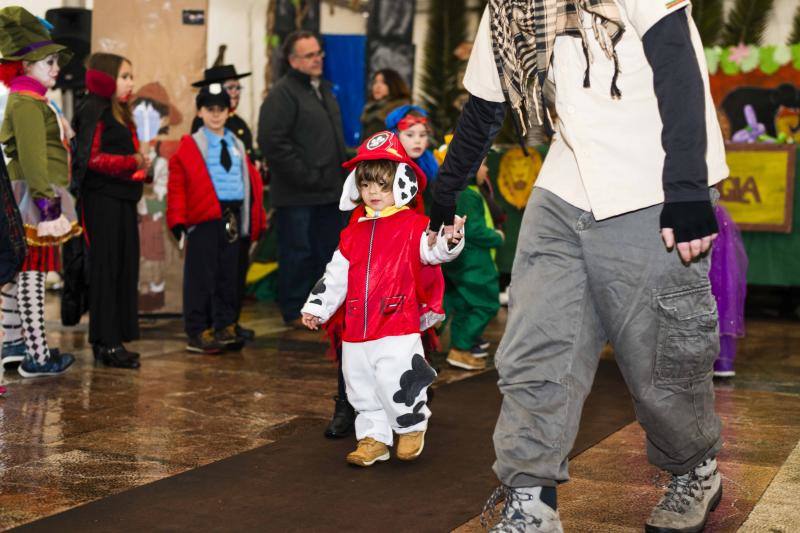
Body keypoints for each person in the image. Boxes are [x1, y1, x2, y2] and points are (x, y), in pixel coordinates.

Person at [430, 2, 728, 532]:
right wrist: (446, 190)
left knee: (660, 355)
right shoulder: (510, 7)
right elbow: (484, 103)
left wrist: (686, 187)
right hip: (565, 185)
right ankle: (532, 500)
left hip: (653, 185)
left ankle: (694, 468)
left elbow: (678, 63)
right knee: (535, 347)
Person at [301, 131, 465, 466]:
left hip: (396, 323)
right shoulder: (352, 233)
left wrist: (449, 240)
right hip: (357, 327)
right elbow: (336, 274)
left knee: (398, 377)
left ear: (402, 183)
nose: (373, 192)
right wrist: (318, 307)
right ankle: (373, 438)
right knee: (360, 384)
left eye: (382, 184)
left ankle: (411, 426)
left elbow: (433, 252)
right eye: (366, 184)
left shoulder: (415, 226)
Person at [258, 30, 350, 438]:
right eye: (309, 54)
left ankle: (319, 307)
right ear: (292, 60)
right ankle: (294, 308)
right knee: (296, 250)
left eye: (319, 53)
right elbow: (273, 143)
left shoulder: (323, 89)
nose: (318, 58)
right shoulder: (282, 95)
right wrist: (308, 175)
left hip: (328, 191)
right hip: (298, 192)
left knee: (326, 253)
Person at [0, 7, 82, 377]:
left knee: (20, 272)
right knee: (34, 270)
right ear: (26, 66)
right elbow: (33, 158)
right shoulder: (27, 103)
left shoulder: (32, 99)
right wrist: (46, 203)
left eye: (56, 61)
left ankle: (14, 344)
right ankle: (37, 355)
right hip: (35, 194)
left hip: (33, 191)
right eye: (48, 62)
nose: (56, 68)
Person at [167, 84, 266, 354]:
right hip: (204, 217)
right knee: (201, 276)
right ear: (200, 111)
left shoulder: (236, 143)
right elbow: (177, 184)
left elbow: (249, 181)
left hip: (233, 215)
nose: (215, 114)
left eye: (220, 109)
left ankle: (225, 324)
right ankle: (198, 329)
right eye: (209, 109)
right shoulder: (191, 145)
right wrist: (177, 220)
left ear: (228, 111)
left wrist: (254, 218)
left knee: (229, 274)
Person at [72, 53, 147, 369]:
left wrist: (139, 167)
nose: (130, 82)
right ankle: (107, 341)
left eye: (131, 76)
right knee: (107, 269)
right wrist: (133, 162)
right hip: (102, 203)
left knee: (122, 268)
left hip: (121, 200)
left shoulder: (117, 111)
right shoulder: (94, 109)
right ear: (106, 77)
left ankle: (113, 339)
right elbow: (91, 160)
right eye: (124, 76)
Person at [191, 64, 259, 343]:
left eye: (237, 87)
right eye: (230, 87)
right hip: (211, 210)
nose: (235, 93)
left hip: (236, 208)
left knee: (233, 270)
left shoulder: (238, 127)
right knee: (210, 271)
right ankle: (208, 323)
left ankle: (229, 319)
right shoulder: (201, 131)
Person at [443, 158, 504, 371]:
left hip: (459, 260)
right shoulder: (469, 195)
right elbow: (474, 230)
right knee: (486, 304)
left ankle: (459, 350)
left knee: (462, 305)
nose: (486, 168)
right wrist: (497, 237)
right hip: (473, 261)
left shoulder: (455, 191)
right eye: (483, 164)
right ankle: (461, 346)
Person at [360, 69, 411, 140]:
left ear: (393, 85)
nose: (377, 86)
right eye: (375, 82)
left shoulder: (402, 111)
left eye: (383, 82)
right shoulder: (370, 109)